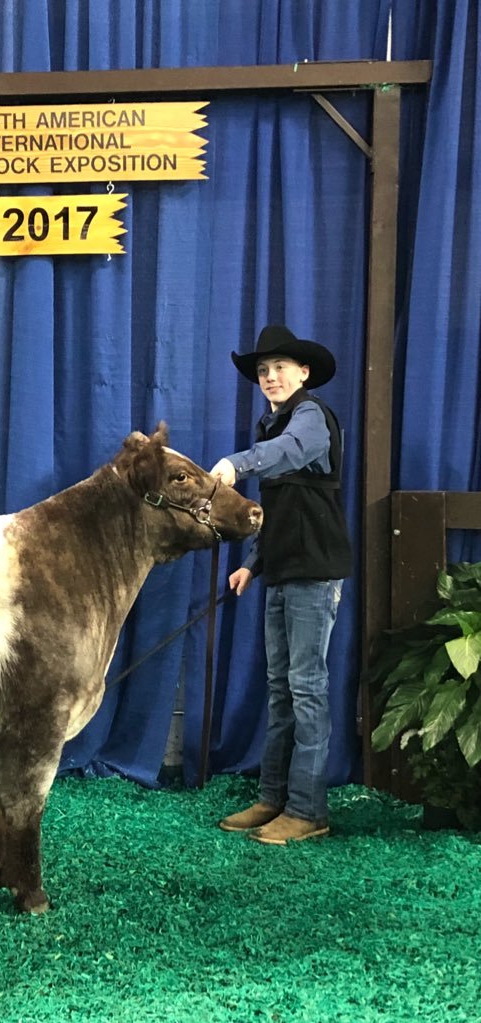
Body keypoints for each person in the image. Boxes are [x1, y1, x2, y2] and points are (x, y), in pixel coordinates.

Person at [209, 324, 353, 845]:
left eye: (279, 369)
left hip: (316, 570)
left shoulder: (310, 418)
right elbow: (278, 509)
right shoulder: (272, 425)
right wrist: (253, 561)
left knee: (307, 688)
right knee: (281, 689)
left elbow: (288, 455)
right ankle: (274, 798)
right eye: (263, 371)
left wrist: (235, 463)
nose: (270, 377)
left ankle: (308, 809)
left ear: (303, 373)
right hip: (284, 569)